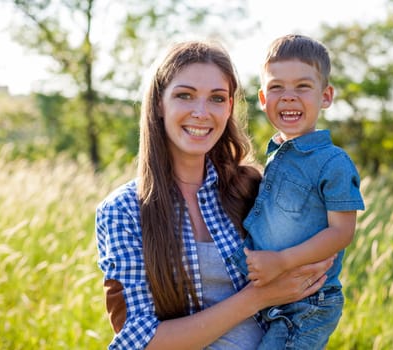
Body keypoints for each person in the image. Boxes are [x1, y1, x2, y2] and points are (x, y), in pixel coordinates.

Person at [95, 40, 333, 349]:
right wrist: (258, 296)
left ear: (230, 107)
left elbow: (312, 273)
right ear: (159, 103)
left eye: (217, 98)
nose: (201, 112)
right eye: (185, 95)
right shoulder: (124, 210)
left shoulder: (253, 188)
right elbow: (139, 341)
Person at [229, 34, 365, 349]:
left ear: (326, 96)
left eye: (303, 87)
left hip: (308, 301)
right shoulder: (277, 154)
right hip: (274, 294)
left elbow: (342, 232)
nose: (289, 97)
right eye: (277, 87)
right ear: (263, 99)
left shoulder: (333, 162)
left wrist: (281, 261)